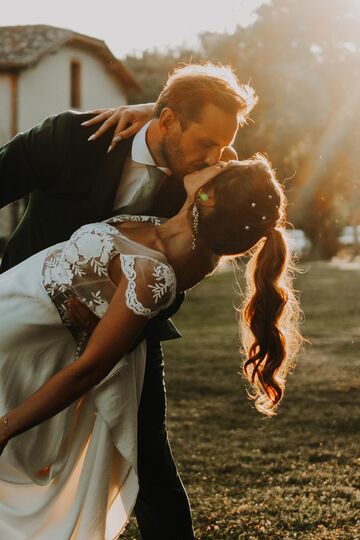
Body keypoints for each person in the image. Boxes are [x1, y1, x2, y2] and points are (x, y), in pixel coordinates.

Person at [0, 63, 257, 539]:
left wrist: (112, 316)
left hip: (129, 325)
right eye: (207, 142)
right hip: (26, 310)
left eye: (222, 146)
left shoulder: (204, 180)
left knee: (149, 458)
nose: (215, 156)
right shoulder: (73, 139)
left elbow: (185, 270)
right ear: (168, 122)